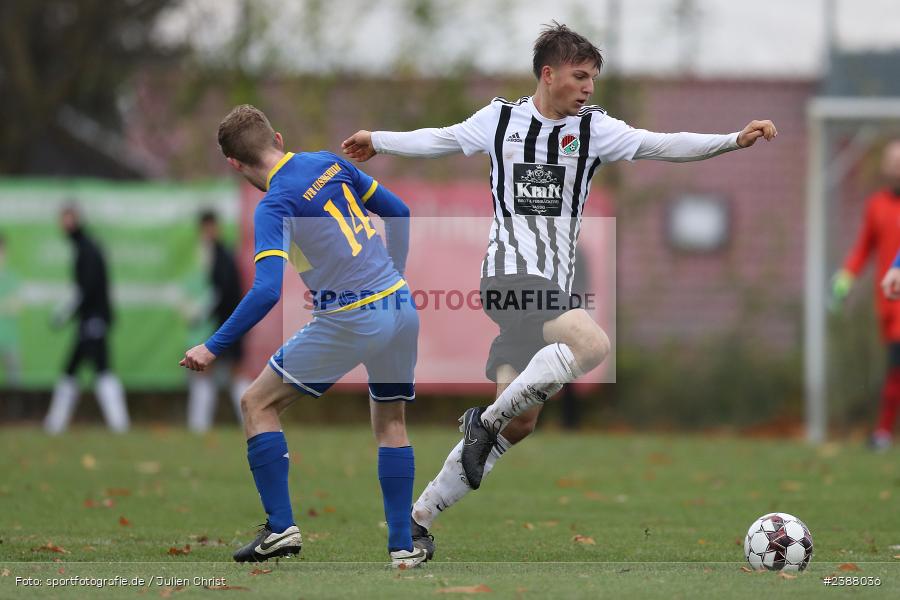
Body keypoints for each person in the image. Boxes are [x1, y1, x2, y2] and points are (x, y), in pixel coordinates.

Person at [343, 21, 777, 560]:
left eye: (593, 77)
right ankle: (482, 423)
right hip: (508, 276)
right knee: (592, 345)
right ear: (548, 75)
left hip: (549, 287)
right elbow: (442, 138)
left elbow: (660, 144)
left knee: (519, 423)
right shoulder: (500, 120)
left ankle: (419, 519)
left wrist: (732, 140)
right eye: (579, 76)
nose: (588, 87)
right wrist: (379, 140)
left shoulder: (594, 130)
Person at [180, 104, 425, 567]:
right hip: (399, 305)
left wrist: (212, 346)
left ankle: (280, 528)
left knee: (257, 403)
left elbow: (266, 291)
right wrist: (395, 275)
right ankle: (401, 547)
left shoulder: (274, 205)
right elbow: (399, 211)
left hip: (351, 316)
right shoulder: (328, 162)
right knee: (392, 425)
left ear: (235, 164)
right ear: (278, 138)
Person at [836, 140, 900, 450]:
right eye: (893, 161)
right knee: (894, 367)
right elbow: (864, 247)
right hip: (886, 301)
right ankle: (884, 433)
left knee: (896, 364)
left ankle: (883, 433)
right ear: (885, 167)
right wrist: (846, 277)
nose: (897, 166)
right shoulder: (876, 205)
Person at [44, 205, 129, 434]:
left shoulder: (87, 249)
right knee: (81, 369)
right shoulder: (83, 247)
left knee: (97, 370)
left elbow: (88, 288)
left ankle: (118, 423)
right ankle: (56, 423)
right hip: (91, 319)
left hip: (93, 320)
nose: (64, 225)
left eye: (68, 219)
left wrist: (64, 313)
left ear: (77, 220)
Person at [185, 210, 252, 432]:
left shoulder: (222, 255)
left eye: (211, 227)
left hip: (228, 323)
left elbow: (223, 292)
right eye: (205, 228)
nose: (208, 232)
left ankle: (253, 419)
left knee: (234, 373)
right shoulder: (208, 254)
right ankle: (198, 425)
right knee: (206, 372)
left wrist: (201, 313)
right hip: (218, 324)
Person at [0, 233, 23, 413]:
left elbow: (16, 306)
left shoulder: (12, 278)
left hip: (10, 338)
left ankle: (15, 413)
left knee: (14, 380)